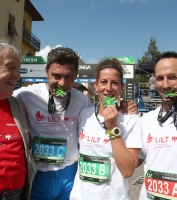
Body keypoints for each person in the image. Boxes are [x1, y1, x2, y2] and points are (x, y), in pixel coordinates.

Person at [13, 47, 138, 200]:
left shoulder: (82, 101)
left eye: (69, 77)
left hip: (69, 176)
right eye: (56, 76)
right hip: (38, 174)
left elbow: (101, 113)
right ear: (46, 72)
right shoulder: (25, 95)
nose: (62, 83)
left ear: (76, 76)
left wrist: (124, 106)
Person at [70, 58, 142, 200]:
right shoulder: (84, 114)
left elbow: (128, 171)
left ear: (121, 87)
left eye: (114, 83)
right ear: (96, 86)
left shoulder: (131, 120)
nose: (108, 88)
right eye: (103, 82)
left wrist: (113, 127)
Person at [0, 37, 36, 199]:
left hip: (16, 194)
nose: (17, 76)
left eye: (18, 70)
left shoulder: (17, 105)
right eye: (10, 68)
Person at [139, 51, 177, 200]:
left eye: (172, 77)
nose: (165, 85)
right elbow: (131, 163)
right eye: (159, 78)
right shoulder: (146, 120)